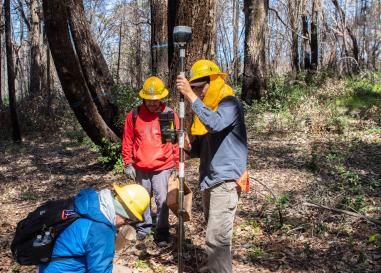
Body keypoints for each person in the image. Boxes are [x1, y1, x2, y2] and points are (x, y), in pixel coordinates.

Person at [176, 60, 248, 273]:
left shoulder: (229, 104)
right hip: (210, 180)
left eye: (200, 87)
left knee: (216, 239)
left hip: (225, 182)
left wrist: (189, 96)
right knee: (217, 236)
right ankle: (215, 268)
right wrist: (189, 146)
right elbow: (202, 148)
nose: (198, 92)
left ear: (214, 81)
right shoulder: (209, 109)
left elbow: (215, 124)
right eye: (195, 87)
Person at [39, 183, 150, 273]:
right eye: (128, 220)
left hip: (48, 265)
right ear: (122, 212)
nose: (125, 223)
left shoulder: (89, 204)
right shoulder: (101, 230)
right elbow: (99, 270)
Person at [122, 76, 179, 246]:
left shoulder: (168, 114)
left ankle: (162, 232)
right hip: (140, 166)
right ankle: (144, 228)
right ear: (143, 98)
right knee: (142, 199)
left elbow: (174, 142)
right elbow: (128, 140)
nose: (154, 104)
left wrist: (176, 164)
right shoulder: (134, 115)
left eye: (156, 100)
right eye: (150, 100)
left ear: (161, 97)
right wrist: (128, 162)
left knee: (162, 200)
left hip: (163, 166)